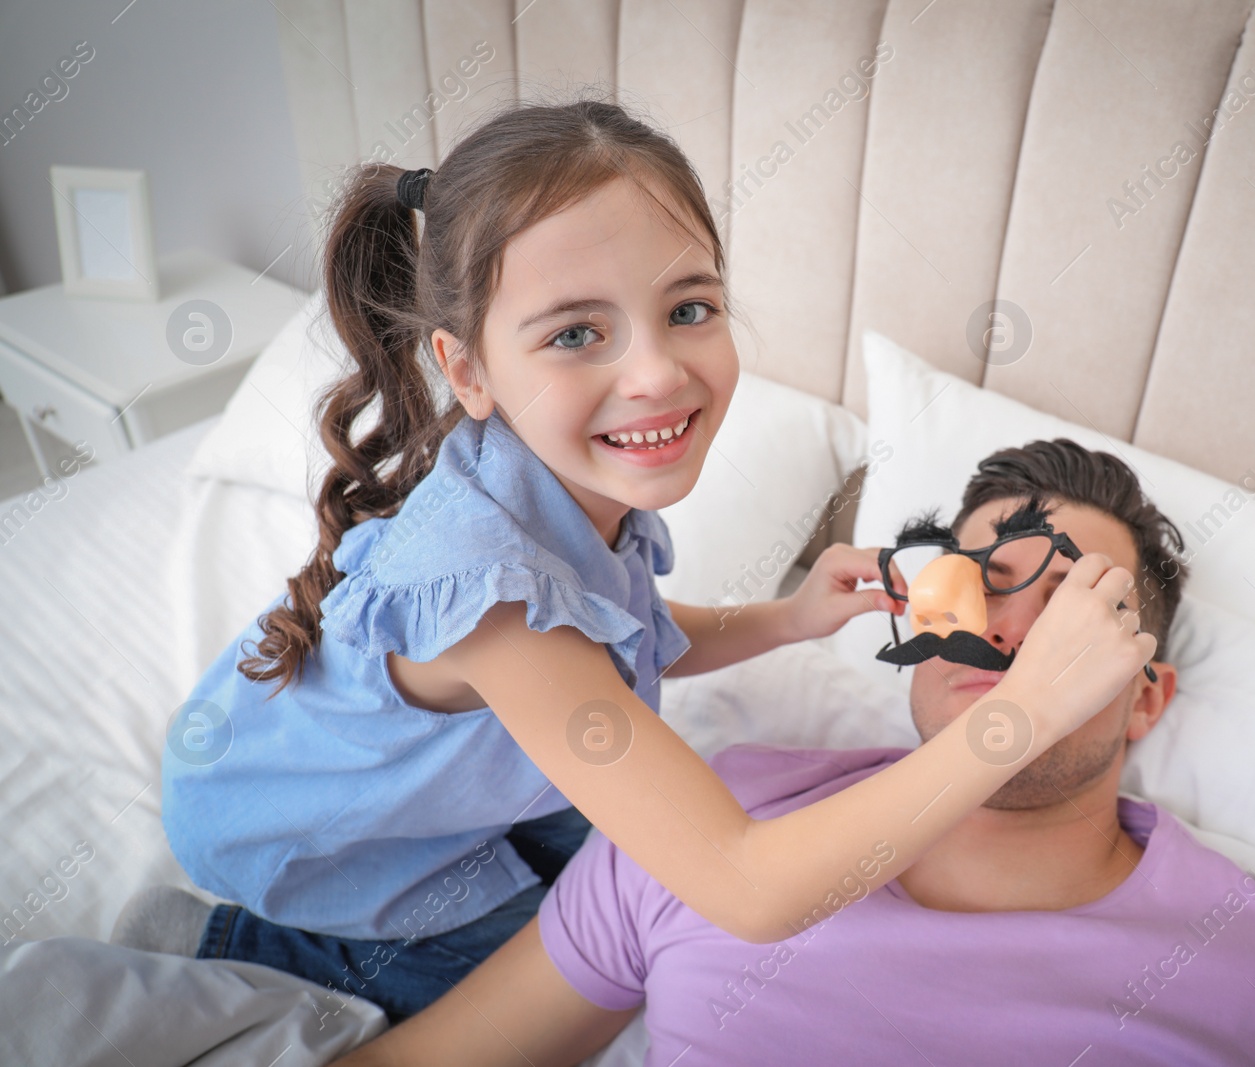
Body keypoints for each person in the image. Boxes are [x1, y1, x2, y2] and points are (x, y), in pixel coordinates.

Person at [113, 99, 1158, 1022]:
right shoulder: (500, 603)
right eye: (576, 333)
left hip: (434, 787)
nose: (656, 371)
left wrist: (787, 617)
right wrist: (1020, 714)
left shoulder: (565, 495)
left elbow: (631, 630)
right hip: (325, 857)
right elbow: (746, 888)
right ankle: (236, 957)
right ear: (467, 370)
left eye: (688, 309)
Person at [329, 439, 1255, 1066]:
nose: (1004, 630)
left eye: (1066, 611)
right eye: (975, 584)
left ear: (1142, 695)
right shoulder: (715, 821)